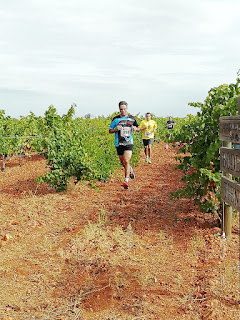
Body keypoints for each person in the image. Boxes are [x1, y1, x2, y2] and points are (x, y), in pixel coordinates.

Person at [109, 101, 140, 189]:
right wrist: (116, 129)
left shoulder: (132, 118)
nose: (123, 110)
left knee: (126, 160)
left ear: (127, 108)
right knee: (123, 163)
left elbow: (138, 128)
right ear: (119, 109)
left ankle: (126, 181)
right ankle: (130, 170)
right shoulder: (115, 119)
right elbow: (110, 130)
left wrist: (135, 128)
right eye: (121, 109)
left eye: (124, 109)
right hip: (119, 143)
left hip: (128, 142)